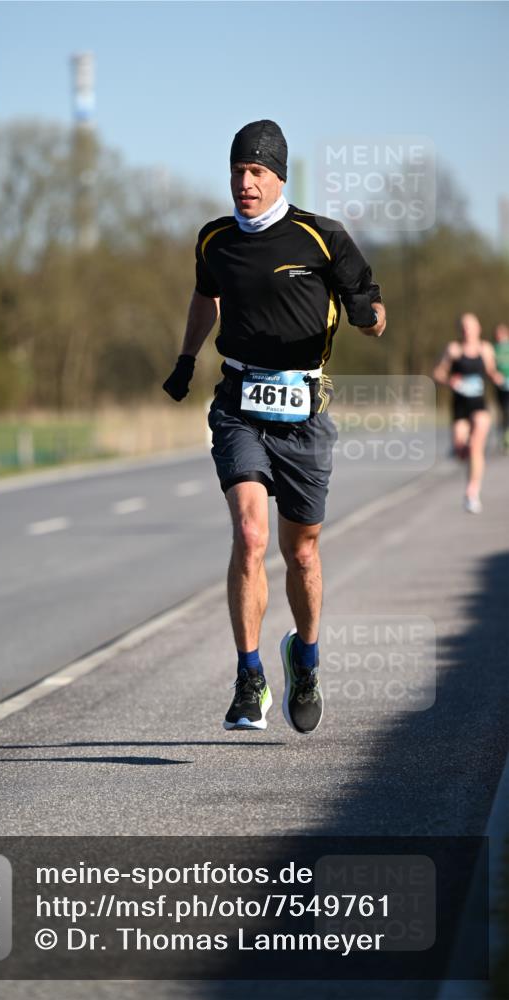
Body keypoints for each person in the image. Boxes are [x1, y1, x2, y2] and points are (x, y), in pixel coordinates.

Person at [163, 120, 385, 735]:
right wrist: (186, 361)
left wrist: (368, 317)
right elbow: (205, 298)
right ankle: (248, 676)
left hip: (304, 413)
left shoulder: (323, 236)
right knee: (251, 534)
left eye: (257, 172)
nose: (245, 183)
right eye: (237, 171)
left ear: (279, 176)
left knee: (303, 552)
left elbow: (373, 310)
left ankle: (305, 662)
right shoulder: (215, 240)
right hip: (238, 402)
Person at [432, 313, 503, 513]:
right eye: (463, 327)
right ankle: (460, 449)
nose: (467, 330)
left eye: (471, 326)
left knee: (476, 445)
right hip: (460, 406)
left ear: (478, 328)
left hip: (479, 404)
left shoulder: (485, 348)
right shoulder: (453, 350)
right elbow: (437, 373)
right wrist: (449, 381)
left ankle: (472, 492)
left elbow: (491, 369)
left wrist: (496, 377)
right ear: (459, 330)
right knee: (462, 449)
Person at [492, 323, 509, 452]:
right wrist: (494, 374)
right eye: (497, 333)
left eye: (501, 333)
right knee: (503, 411)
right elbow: (489, 367)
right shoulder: (493, 349)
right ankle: (504, 436)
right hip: (500, 386)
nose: (499, 336)